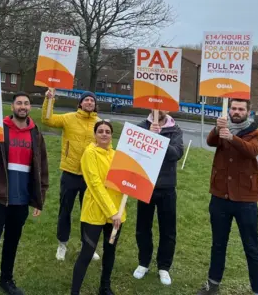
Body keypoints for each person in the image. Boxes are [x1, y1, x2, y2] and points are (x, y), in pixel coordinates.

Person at [0, 92, 50, 295]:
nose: (23, 106)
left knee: (12, 243)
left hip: (21, 200)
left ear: (30, 107)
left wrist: (40, 197)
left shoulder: (35, 133)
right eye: (19, 103)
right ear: (12, 106)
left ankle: (6, 280)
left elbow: (42, 167)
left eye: (26, 103)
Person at [197, 98, 258, 295]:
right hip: (220, 197)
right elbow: (210, 141)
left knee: (251, 247)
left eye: (240, 109)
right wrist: (219, 130)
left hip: (245, 200)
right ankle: (213, 284)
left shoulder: (256, 133)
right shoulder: (223, 127)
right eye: (233, 108)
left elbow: (252, 151)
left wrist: (231, 138)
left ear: (247, 112)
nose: (236, 112)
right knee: (218, 244)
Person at [42, 90, 101, 261]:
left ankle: (88, 245)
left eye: (92, 100)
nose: (89, 102)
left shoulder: (99, 123)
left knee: (89, 213)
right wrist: (49, 100)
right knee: (65, 210)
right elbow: (47, 119)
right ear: (80, 103)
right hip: (70, 173)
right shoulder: (69, 118)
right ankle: (62, 244)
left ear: (95, 105)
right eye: (86, 100)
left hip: (90, 175)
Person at [70, 120, 126, 295]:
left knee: (110, 251)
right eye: (100, 131)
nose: (104, 134)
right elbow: (95, 184)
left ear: (111, 135)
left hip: (116, 213)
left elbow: (123, 181)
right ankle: (75, 292)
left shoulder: (117, 155)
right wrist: (112, 212)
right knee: (87, 252)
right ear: (95, 135)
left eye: (107, 131)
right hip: (96, 212)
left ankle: (105, 287)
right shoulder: (89, 153)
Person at [132, 110, 184, 286]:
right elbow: (133, 152)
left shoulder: (175, 130)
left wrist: (158, 139)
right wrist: (148, 135)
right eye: (155, 107)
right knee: (143, 227)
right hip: (145, 184)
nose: (158, 111)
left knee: (168, 230)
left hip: (167, 187)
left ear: (166, 110)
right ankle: (143, 262)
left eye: (162, 107)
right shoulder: (141, 127)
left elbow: (176, 154)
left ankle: (164, 267)